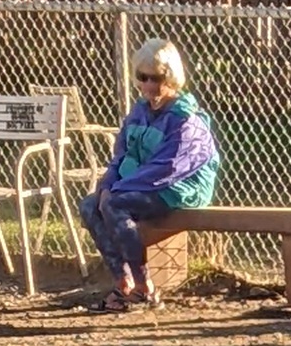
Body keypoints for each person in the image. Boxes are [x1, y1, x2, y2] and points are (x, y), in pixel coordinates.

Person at [82, 42, 220, 307]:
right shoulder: (138, 114)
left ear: (171, 77)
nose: (147, 85)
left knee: (114, 204)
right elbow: (121, 156)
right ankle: (123, 282)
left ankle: (144, 286)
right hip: (142, 185)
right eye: (142, 77)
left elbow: (167, 167)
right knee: (90, 204)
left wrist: (118, 191)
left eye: (155, 78)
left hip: (180, 188)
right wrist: (108, 185)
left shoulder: (186, 120)